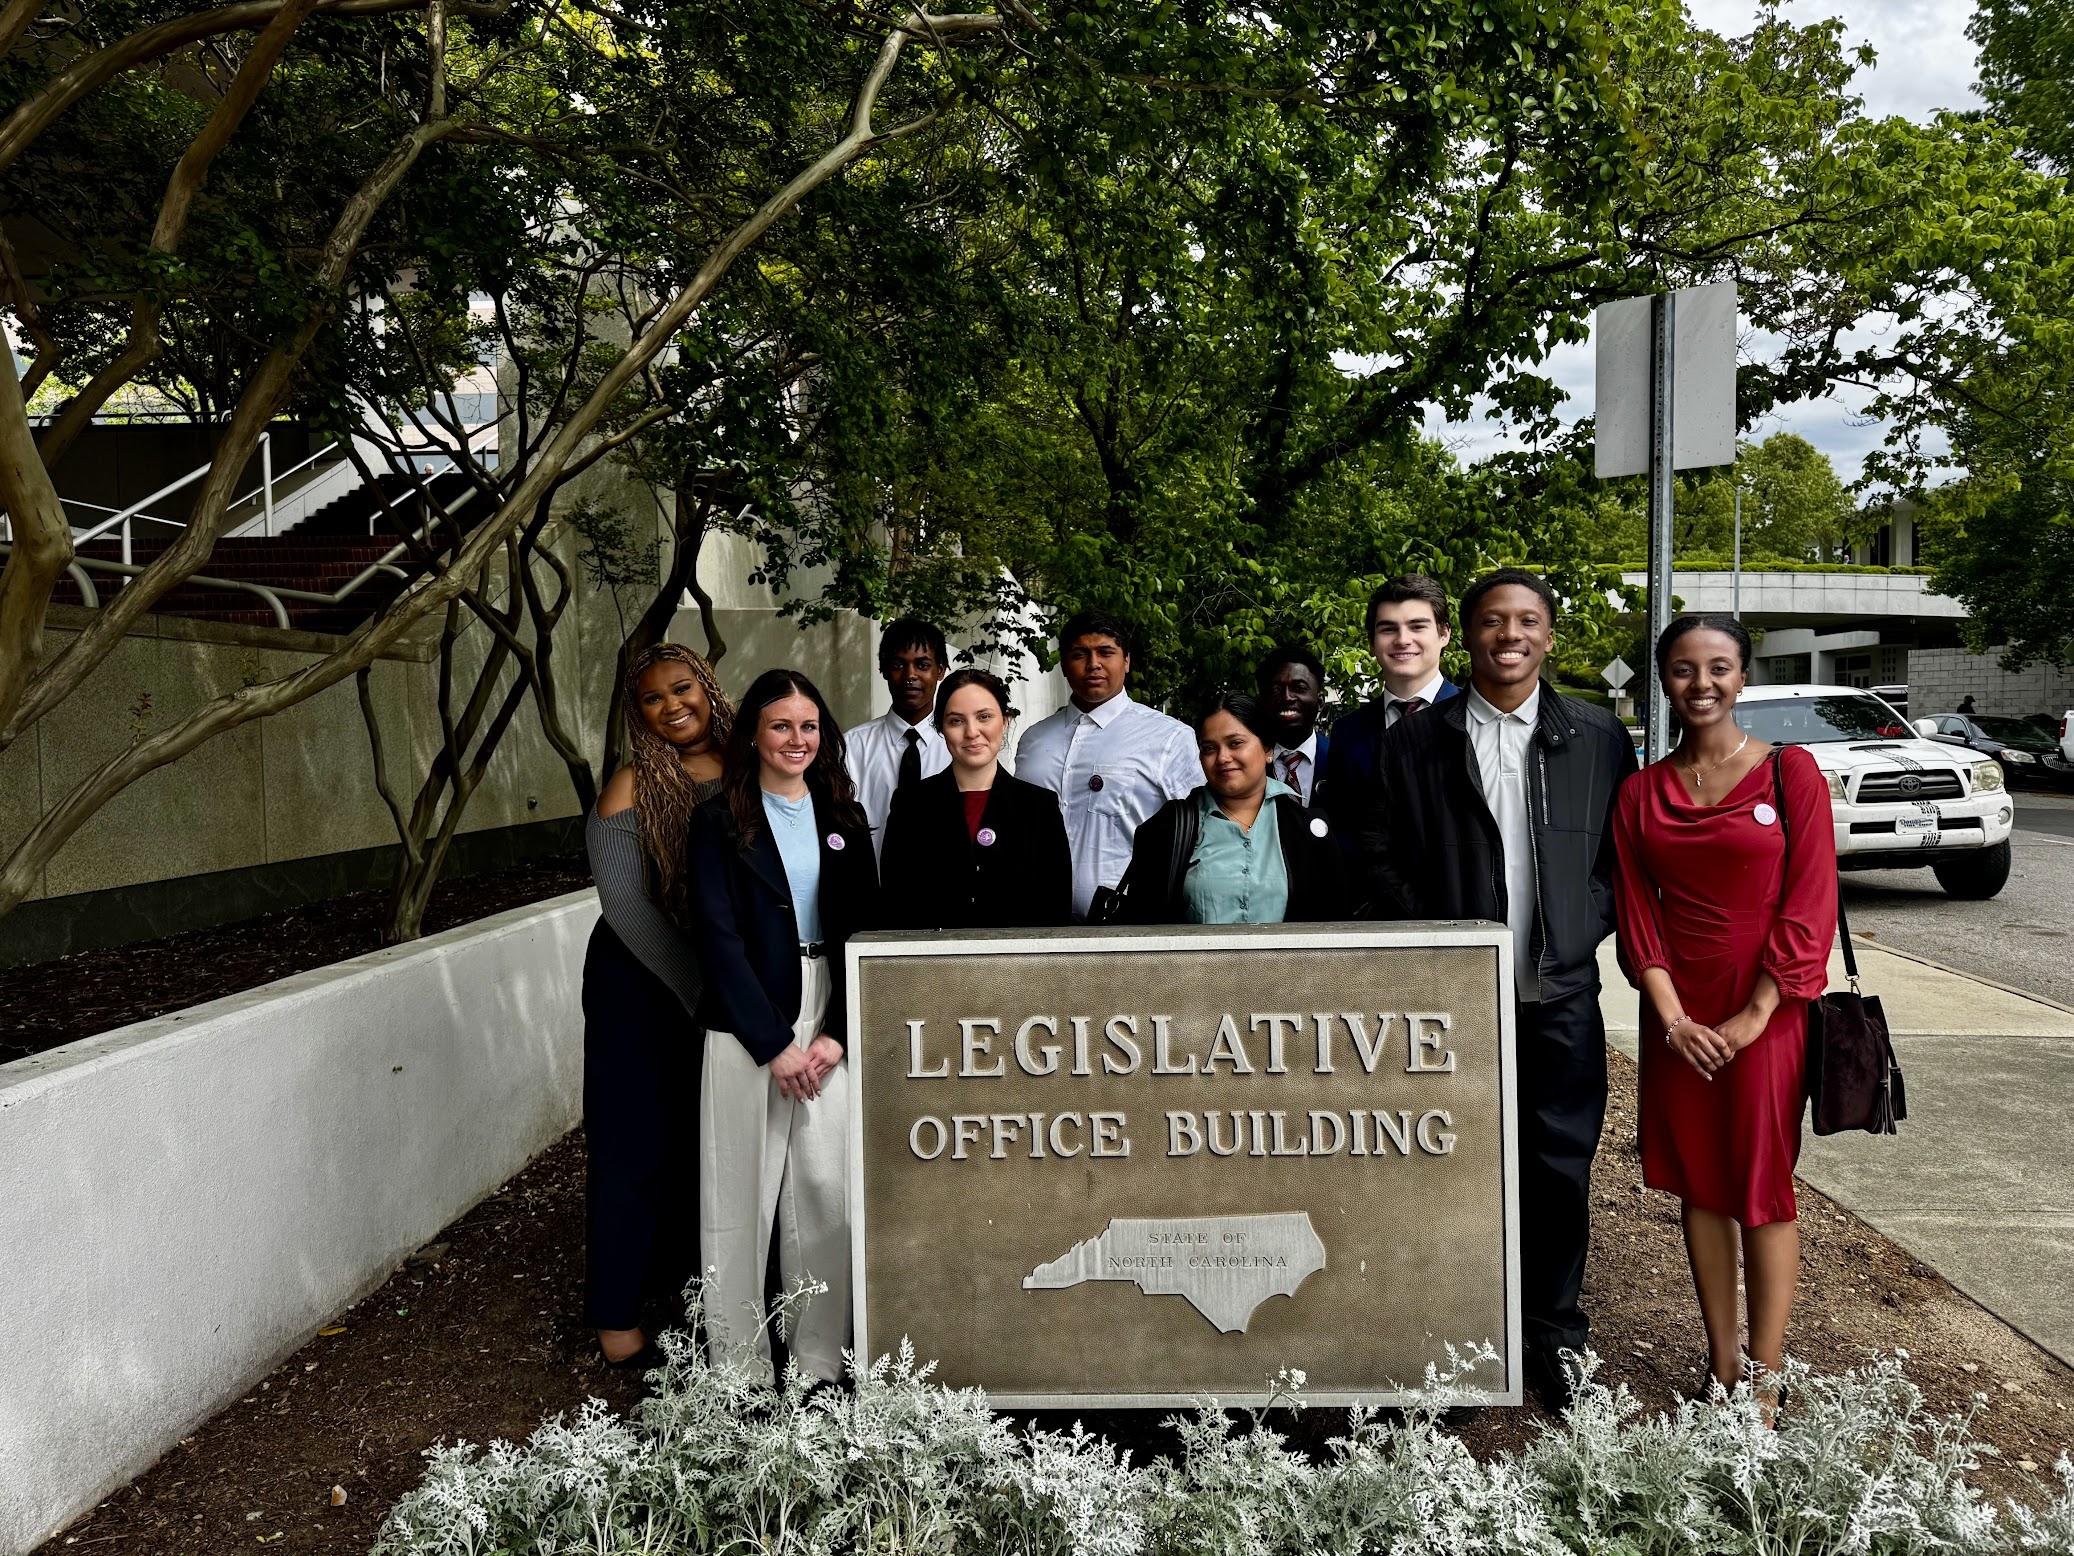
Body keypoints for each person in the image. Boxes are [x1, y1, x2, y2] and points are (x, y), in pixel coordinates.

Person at [1363, 567, 1638, 1406]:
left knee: (1559, 1166)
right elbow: (1381, 856)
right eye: (1491, 620)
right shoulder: (1416, 739)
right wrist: (1446, 938)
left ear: (1550, 635)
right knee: (1451, 1168)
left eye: (1526, 621)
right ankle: (1461, 1336)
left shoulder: (1596, 735)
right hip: (1454, 1002)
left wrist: (1582, 926)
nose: (1508, 635)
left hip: (1558, 998)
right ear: (1467, 633)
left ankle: (1554, 1337)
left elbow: (1615, 860)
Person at [1613, 615, 1836, 1416]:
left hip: (1767, 1007)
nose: (1700, 684)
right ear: (1664, 681)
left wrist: (1755, 1016)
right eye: (1682, 669)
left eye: (1717, 668)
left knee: (1762, 1187)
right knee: (1701, 1188)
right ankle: (1722, 1368)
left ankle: (1768, 1381)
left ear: (1743, 678)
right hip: (1679, 1016)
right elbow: (1639, 919)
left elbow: (1811, 904)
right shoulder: (1640, 793)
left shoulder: (1791, 775)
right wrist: (1674, 1022)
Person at [687, 669, 879, 1383]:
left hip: (827, 1002)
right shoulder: (716, 821)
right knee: (738, 1196)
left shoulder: (844, 819)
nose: (796, 739)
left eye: (808, 726)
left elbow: (867, 929)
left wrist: (838, 1032)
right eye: (780, 725)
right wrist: (773, 1044)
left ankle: (819, 1363)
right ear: (753, 735)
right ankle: (737, 1371)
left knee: (827, 1195)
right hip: (747, 1019)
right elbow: (716, 939)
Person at [581, 644, 733, 1367]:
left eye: (683, 688)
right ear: (636, 711)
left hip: (722, 986)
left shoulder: (748, 768)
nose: (673, 705)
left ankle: (686, 1294)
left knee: (701, 1148)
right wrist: (702, 996)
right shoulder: (632, 785)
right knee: (632, 1147)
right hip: (639, 987)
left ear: (707, 687)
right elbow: (627, 910)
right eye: (651, 698)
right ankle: (616, 1323)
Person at [1015, 609, 1199, 920]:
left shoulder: (1169, 738)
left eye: (1105, 652)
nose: (1093, 664)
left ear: (1126, 661)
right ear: (1062, 664)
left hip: (1128, 925)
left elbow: (1198, 833)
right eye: (1080, 654)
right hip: (1036, 921)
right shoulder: (1034, 740)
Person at [1118, 692, 1347, 924]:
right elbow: (1143, 930)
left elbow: (1330, 926)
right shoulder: (1169, 827)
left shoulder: (1305, 827)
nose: (1222, 758)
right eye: (1209, 748)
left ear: (1268, 749)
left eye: (1235, 743)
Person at [880, 668, 1073, 928]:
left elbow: (1055, 911)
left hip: (1017, 966)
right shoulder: (911, 805)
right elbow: (896, 907)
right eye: (956, 721)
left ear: (1004, 721)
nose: (972, 732)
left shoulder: (1040, 807)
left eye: (984, 717)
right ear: (941, 729)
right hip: (932, 965)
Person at [1322, 574, 1462, 840]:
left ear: (1444, 634)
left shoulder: (1475, 717)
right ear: (1371, 642)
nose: (1402, 639)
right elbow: (1344, 830)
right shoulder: (1348, 732)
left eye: (1417, 626)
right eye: (1388, 629)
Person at [845, 618, 951, 855]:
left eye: (923, 665)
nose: (910, 675)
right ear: (883, 670)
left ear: (940, 670)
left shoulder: (958, 746)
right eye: (898, 665)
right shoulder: (852, 747)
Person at [1256, 643, 1329, 809]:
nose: (1287, 697)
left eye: (1299, 688)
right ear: (1262, 701)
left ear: (1320, 702)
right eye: (1276, 690)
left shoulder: (1341, 759)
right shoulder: (1249, 762)